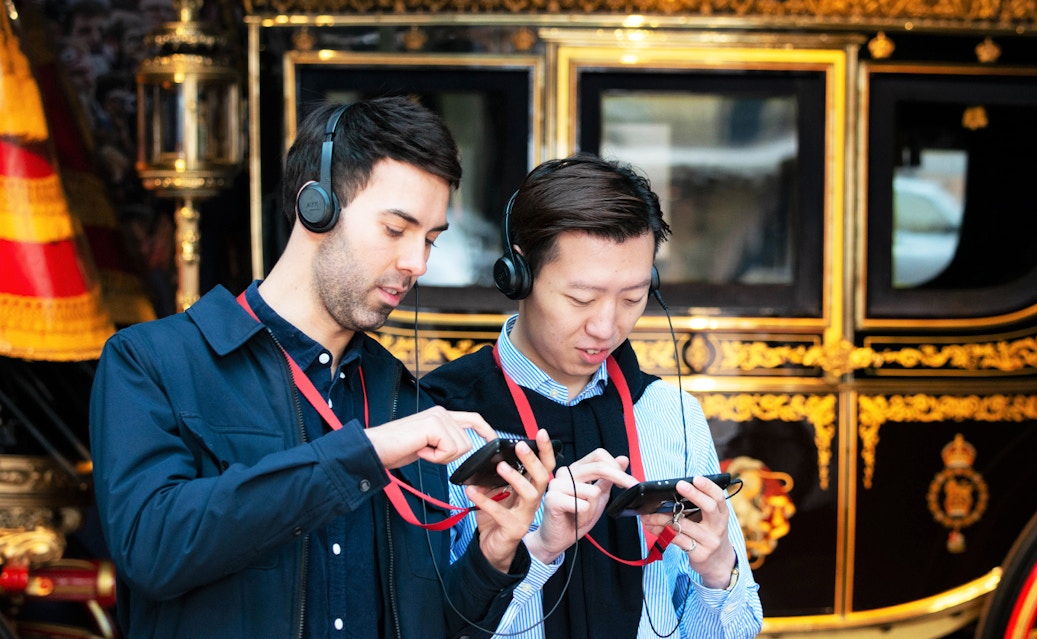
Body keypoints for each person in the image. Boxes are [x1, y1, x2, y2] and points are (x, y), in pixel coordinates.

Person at [89, 96, 556, 639]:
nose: (418, 263)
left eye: (430, 239)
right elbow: (151, 550)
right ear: (317, 207)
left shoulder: (403, 397)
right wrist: (366, 454)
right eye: (395, 229)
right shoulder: (152, 362)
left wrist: (493, 555)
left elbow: (436, 627)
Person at [421, 153, 764, 638]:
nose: (607, 327)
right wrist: (538, 549)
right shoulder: (444, 418)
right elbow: (428, 626)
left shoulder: (670, 413)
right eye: (581, 299)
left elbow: (740, 628)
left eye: (632, 298)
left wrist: (716, 574)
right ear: (517, 273)